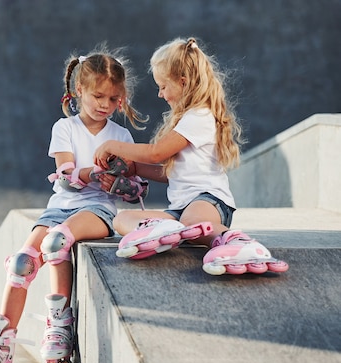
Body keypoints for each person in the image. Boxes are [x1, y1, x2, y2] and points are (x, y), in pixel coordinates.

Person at [0, 45, 148, 363]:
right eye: (98, 95)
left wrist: (122, 183)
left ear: (121, 98)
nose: (105, 104)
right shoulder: (65, 128)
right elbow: (63, 174)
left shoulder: (121, 136)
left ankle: (59, 326)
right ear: (79, 91)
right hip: (60, 206)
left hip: (98, 211)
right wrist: (93, 173)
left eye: (113, 97)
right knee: (21, 263)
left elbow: (134, 186)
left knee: (56, 242)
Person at [93, 37, 288, 276]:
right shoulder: (187, 118)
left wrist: (112, 145)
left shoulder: (199, 116)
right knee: (122, 220)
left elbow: (156, 154)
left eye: (163, 86)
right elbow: (170, 173)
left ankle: (237, 243)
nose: (160, 94)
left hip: (209, 202)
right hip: (180, 209)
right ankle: (160, 230)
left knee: (192, 221)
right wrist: (135, 169)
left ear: (183, 83)